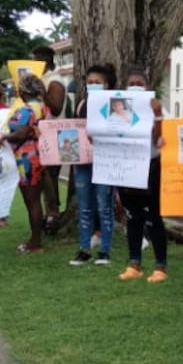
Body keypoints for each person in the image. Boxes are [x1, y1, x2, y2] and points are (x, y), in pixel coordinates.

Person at [117, 66, 168, 282]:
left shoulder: (158, 108)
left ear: (148, 87)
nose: (135, 87)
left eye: (140, 84)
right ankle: (134, 264)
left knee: (154, 218)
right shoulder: (118, 110)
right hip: (127, 168)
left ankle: (160, 266)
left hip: (152, 168)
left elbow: (160, 140)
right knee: (133, 217)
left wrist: (157, 116)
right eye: (132, 84)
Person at [70, 64, 117, 265]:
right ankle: (84, 249)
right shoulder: (82, 105)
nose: (93, 85)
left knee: (104, 207)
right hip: (83, 163)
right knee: (85, 208)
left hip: (105, 162)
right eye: (90, 82)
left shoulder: (115, 106)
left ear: (106, 85)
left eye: (97, 82)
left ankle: (104, 251)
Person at [0, 74, 47, 254]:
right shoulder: (41, 107)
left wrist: (5, 137)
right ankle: (36, 239)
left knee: (31, 201)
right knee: (34, 200)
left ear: (23, 90)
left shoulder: (27, 110)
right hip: (38, 155)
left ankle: (35, 243)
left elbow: (21, 133)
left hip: (27, 158)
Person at [32, 45, 67, 233]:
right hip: (44, 134)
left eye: (36, 60)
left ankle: (53, 215)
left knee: (50, 177)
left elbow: (56, 108)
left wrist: (42, 93)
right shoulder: (43, 79)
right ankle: (50, 213)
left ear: (45, 62)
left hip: (55, 135)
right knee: (45, 177)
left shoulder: (54, 81)